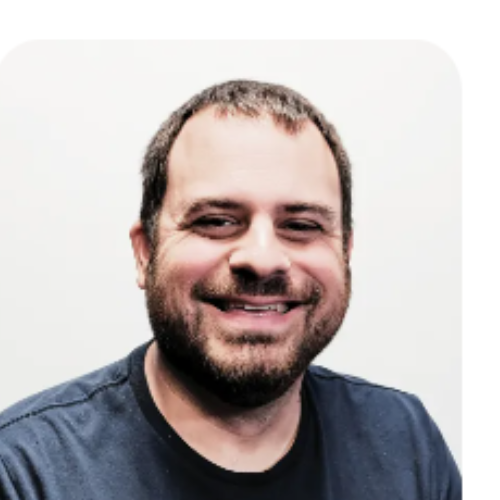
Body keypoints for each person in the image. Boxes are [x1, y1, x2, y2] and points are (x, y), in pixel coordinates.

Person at [0, 80, 461, 499]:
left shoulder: (406, 443)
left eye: (302, 225)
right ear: (145, 253)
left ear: (345, 251)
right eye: (217, 221)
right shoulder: (25, 473)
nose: (262, 258)